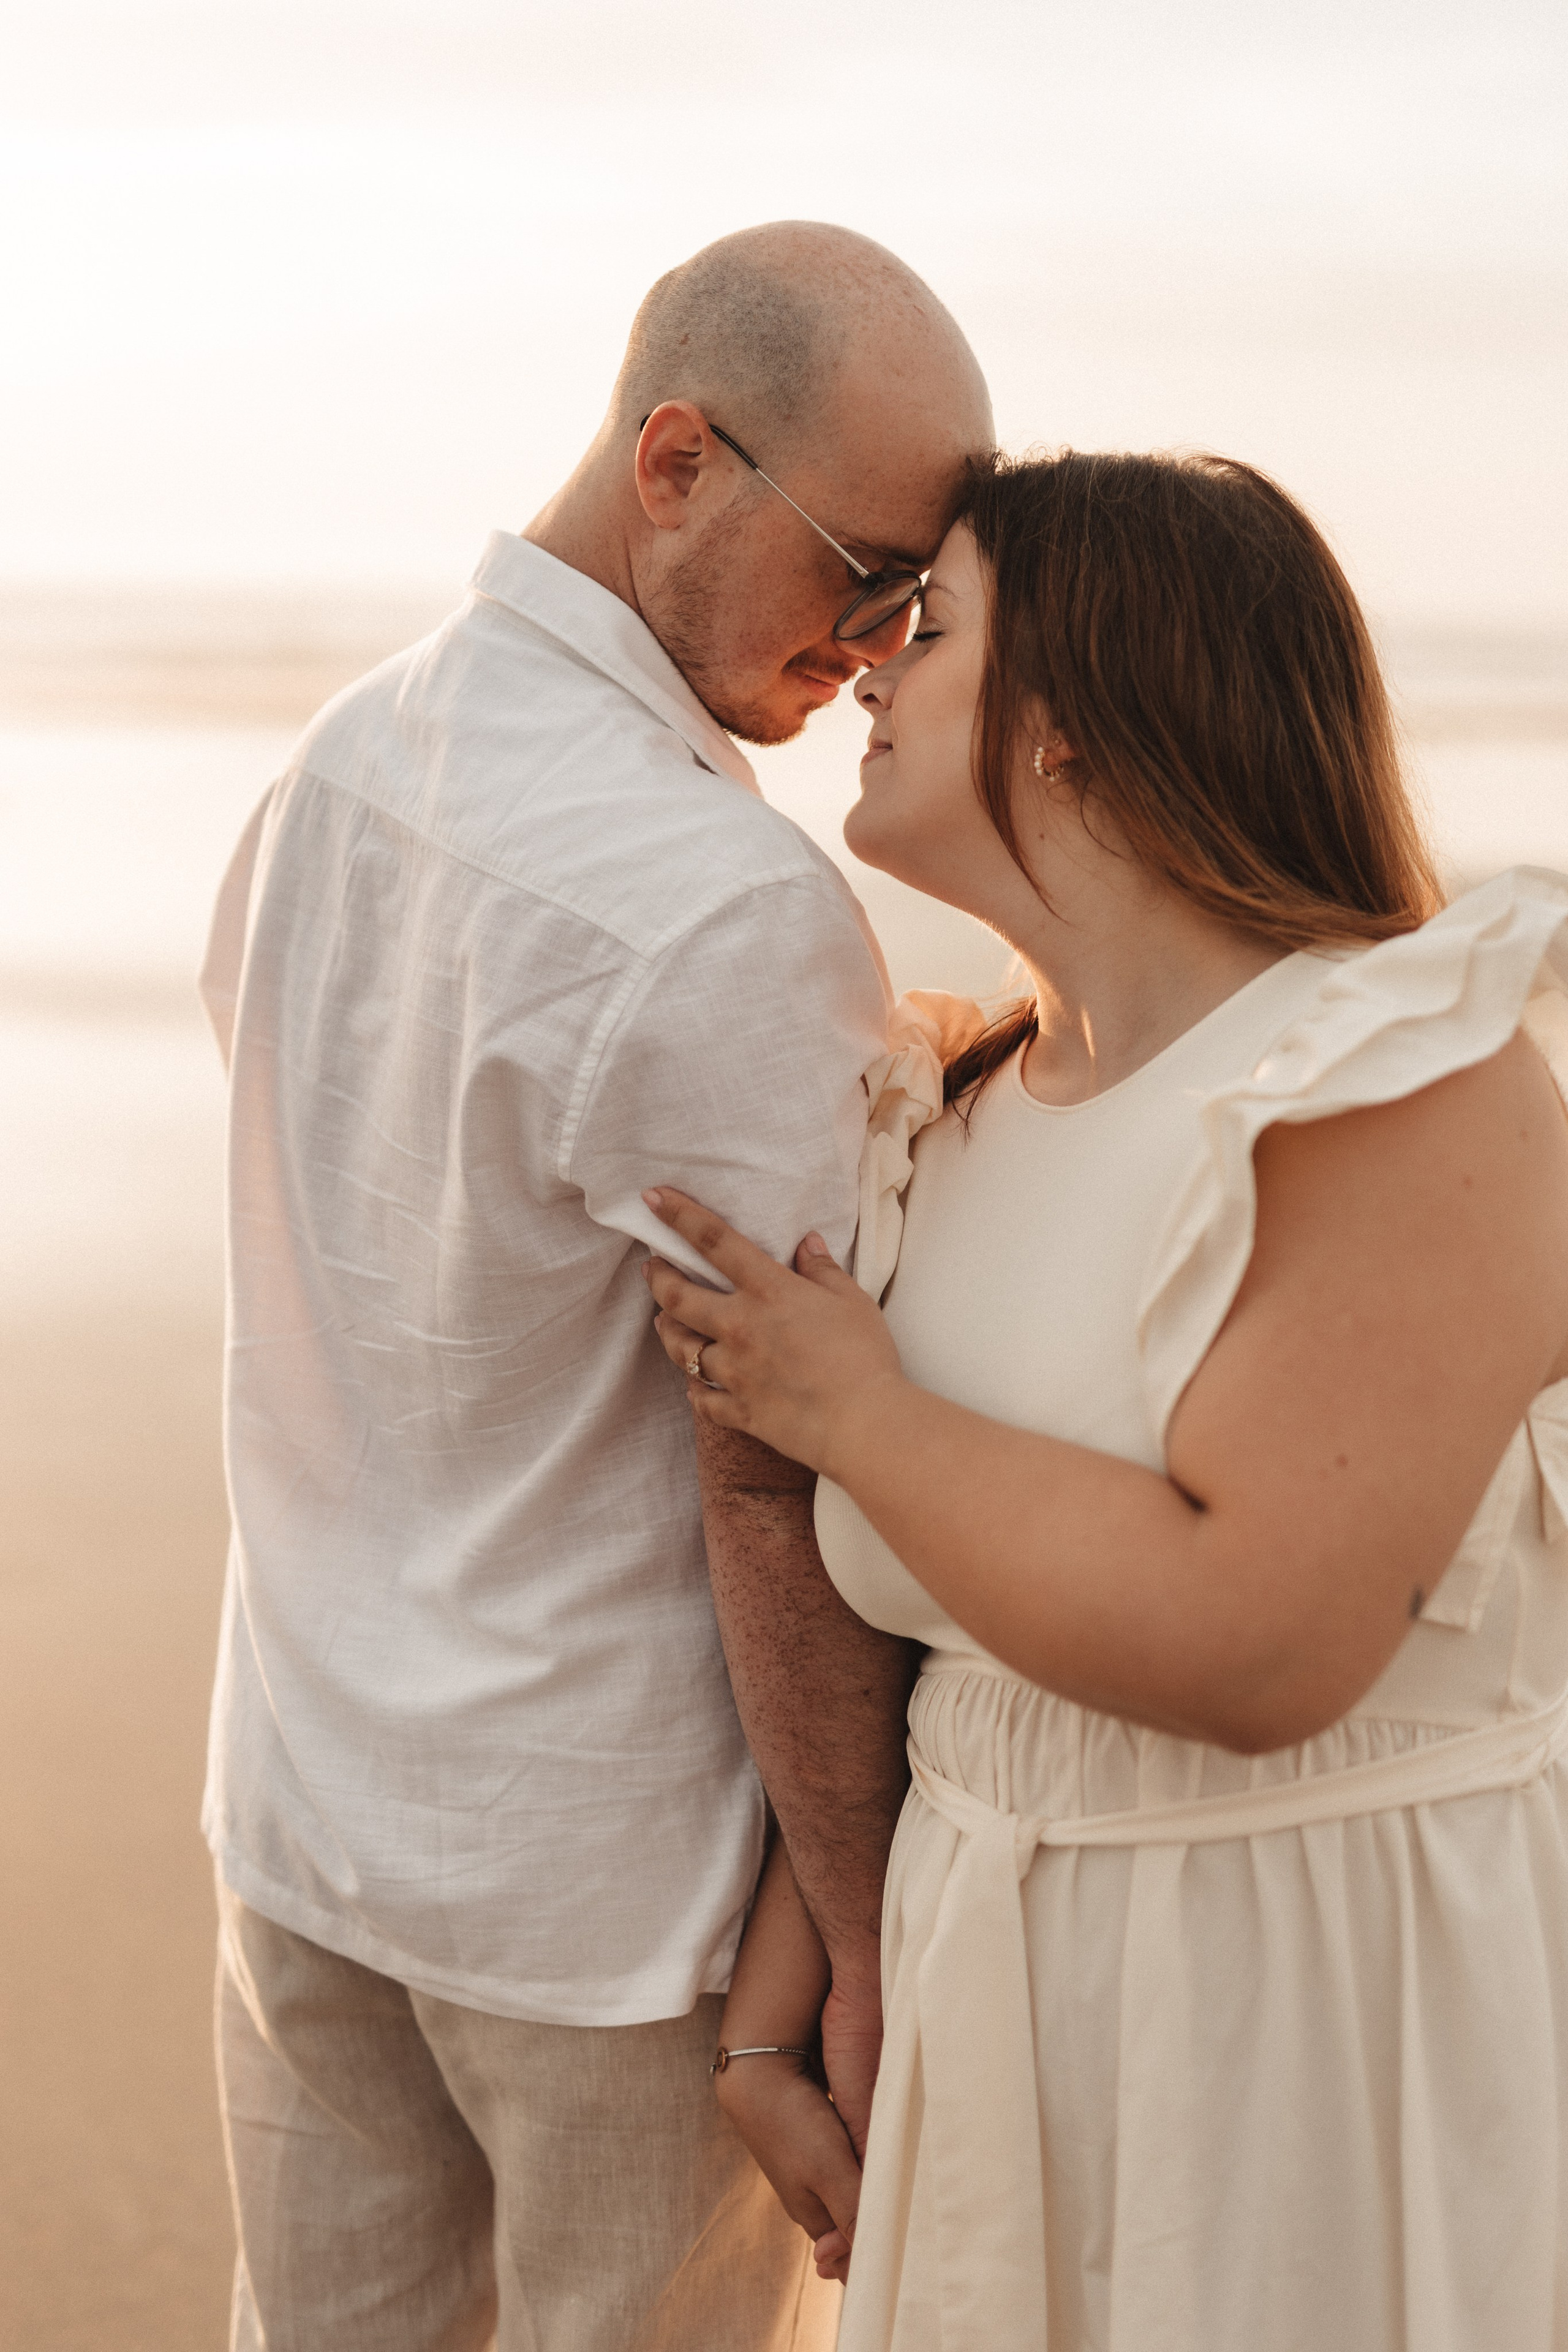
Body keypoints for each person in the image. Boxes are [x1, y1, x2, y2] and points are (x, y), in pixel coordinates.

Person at [644, 448, 1568, 2350]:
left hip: (1301, 2005)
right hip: (998, 2008)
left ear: (1073, 722)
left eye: (933, 627)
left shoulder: (1403, 1082)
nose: (872, 668)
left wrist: (859, 1413)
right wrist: (776, 2009)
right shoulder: (951, 1116)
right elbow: (950, 1663)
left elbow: (1258, 1644)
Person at [197, 221, 992, 2352]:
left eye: (925, 601)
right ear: (673, 461)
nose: (887, 639)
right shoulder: (728, 907)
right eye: (866, 572)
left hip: (299, 1805)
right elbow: (780, 1477)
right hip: (605, 1908)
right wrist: (856, 1927)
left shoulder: (334, 763)